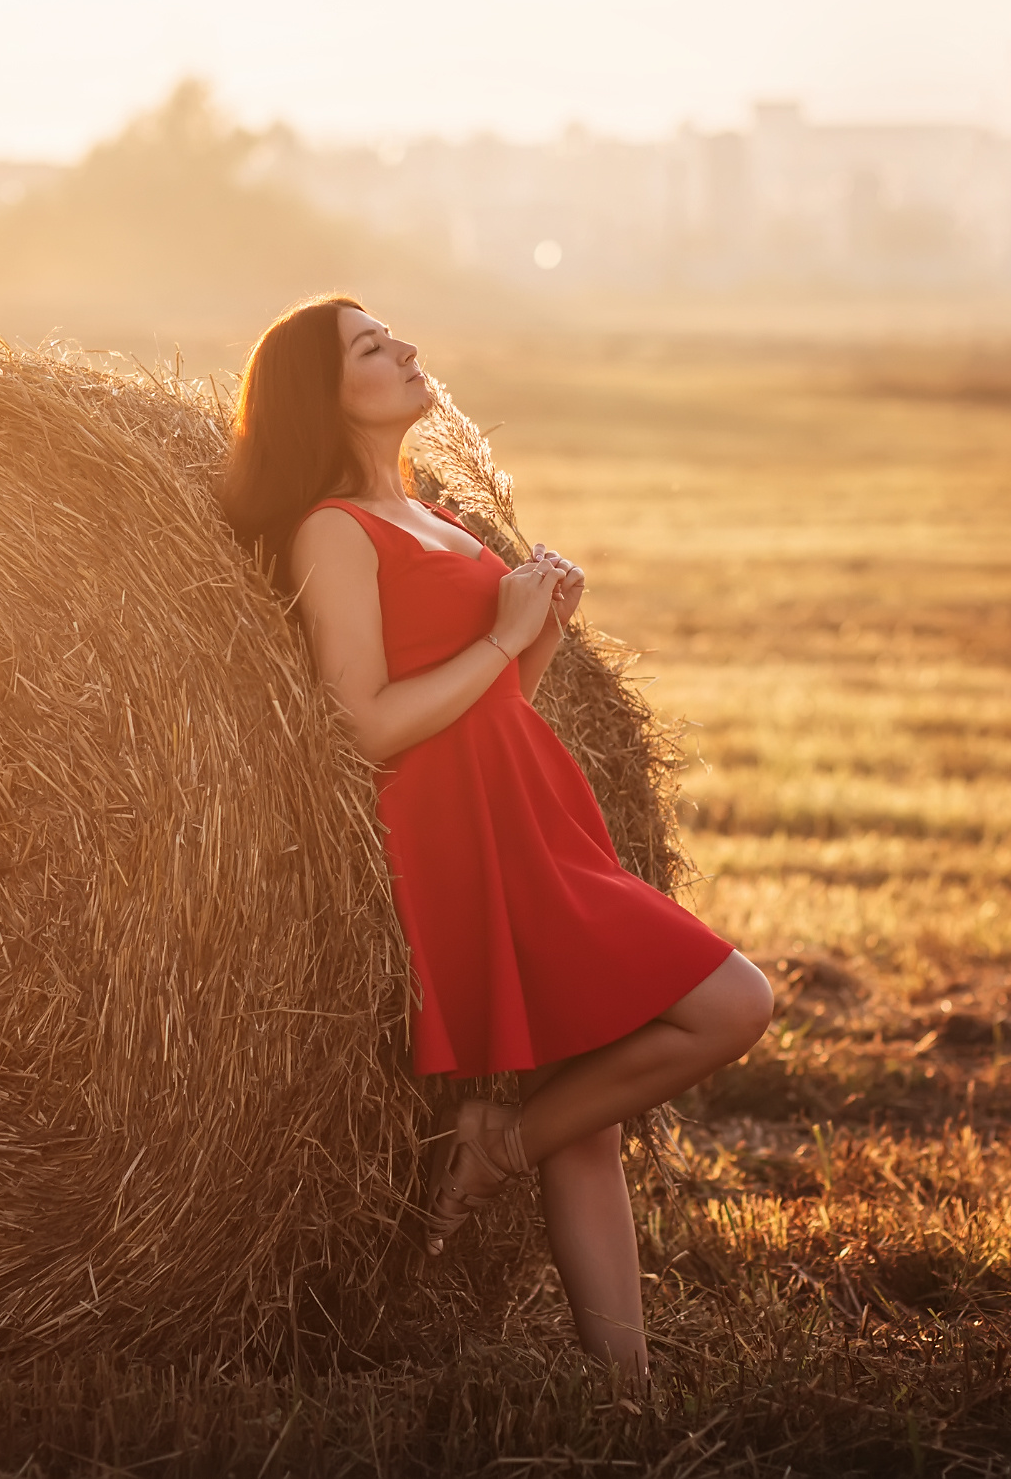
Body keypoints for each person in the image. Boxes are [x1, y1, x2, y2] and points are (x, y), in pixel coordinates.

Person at [220, 294, 774, 1379]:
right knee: (734, 1003)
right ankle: (498, 1147)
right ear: (323, 395)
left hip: (531, 810)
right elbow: (364, 724)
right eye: (371, 346)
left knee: (590, 1123)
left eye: (391, 333)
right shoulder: (333, 530)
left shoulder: (433, 515)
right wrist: (504, 634)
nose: (404, 348)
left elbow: (493, 699)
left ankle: (625, 1396)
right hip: (458, 831)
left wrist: (542, 631)